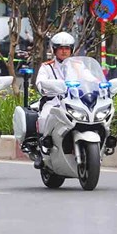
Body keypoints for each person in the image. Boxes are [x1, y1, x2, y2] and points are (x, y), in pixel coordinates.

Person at [34, 31, 75, 168]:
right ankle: (42, 150)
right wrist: (47, 85)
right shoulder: (47, 67)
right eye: (61, 48)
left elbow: (91, 79)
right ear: (54, 50)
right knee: (44, 117)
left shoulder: (78, 66)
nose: (64, 51)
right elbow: (40, 83)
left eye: (67, 48)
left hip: (74, 101)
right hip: (53, 101)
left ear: (71, 50)